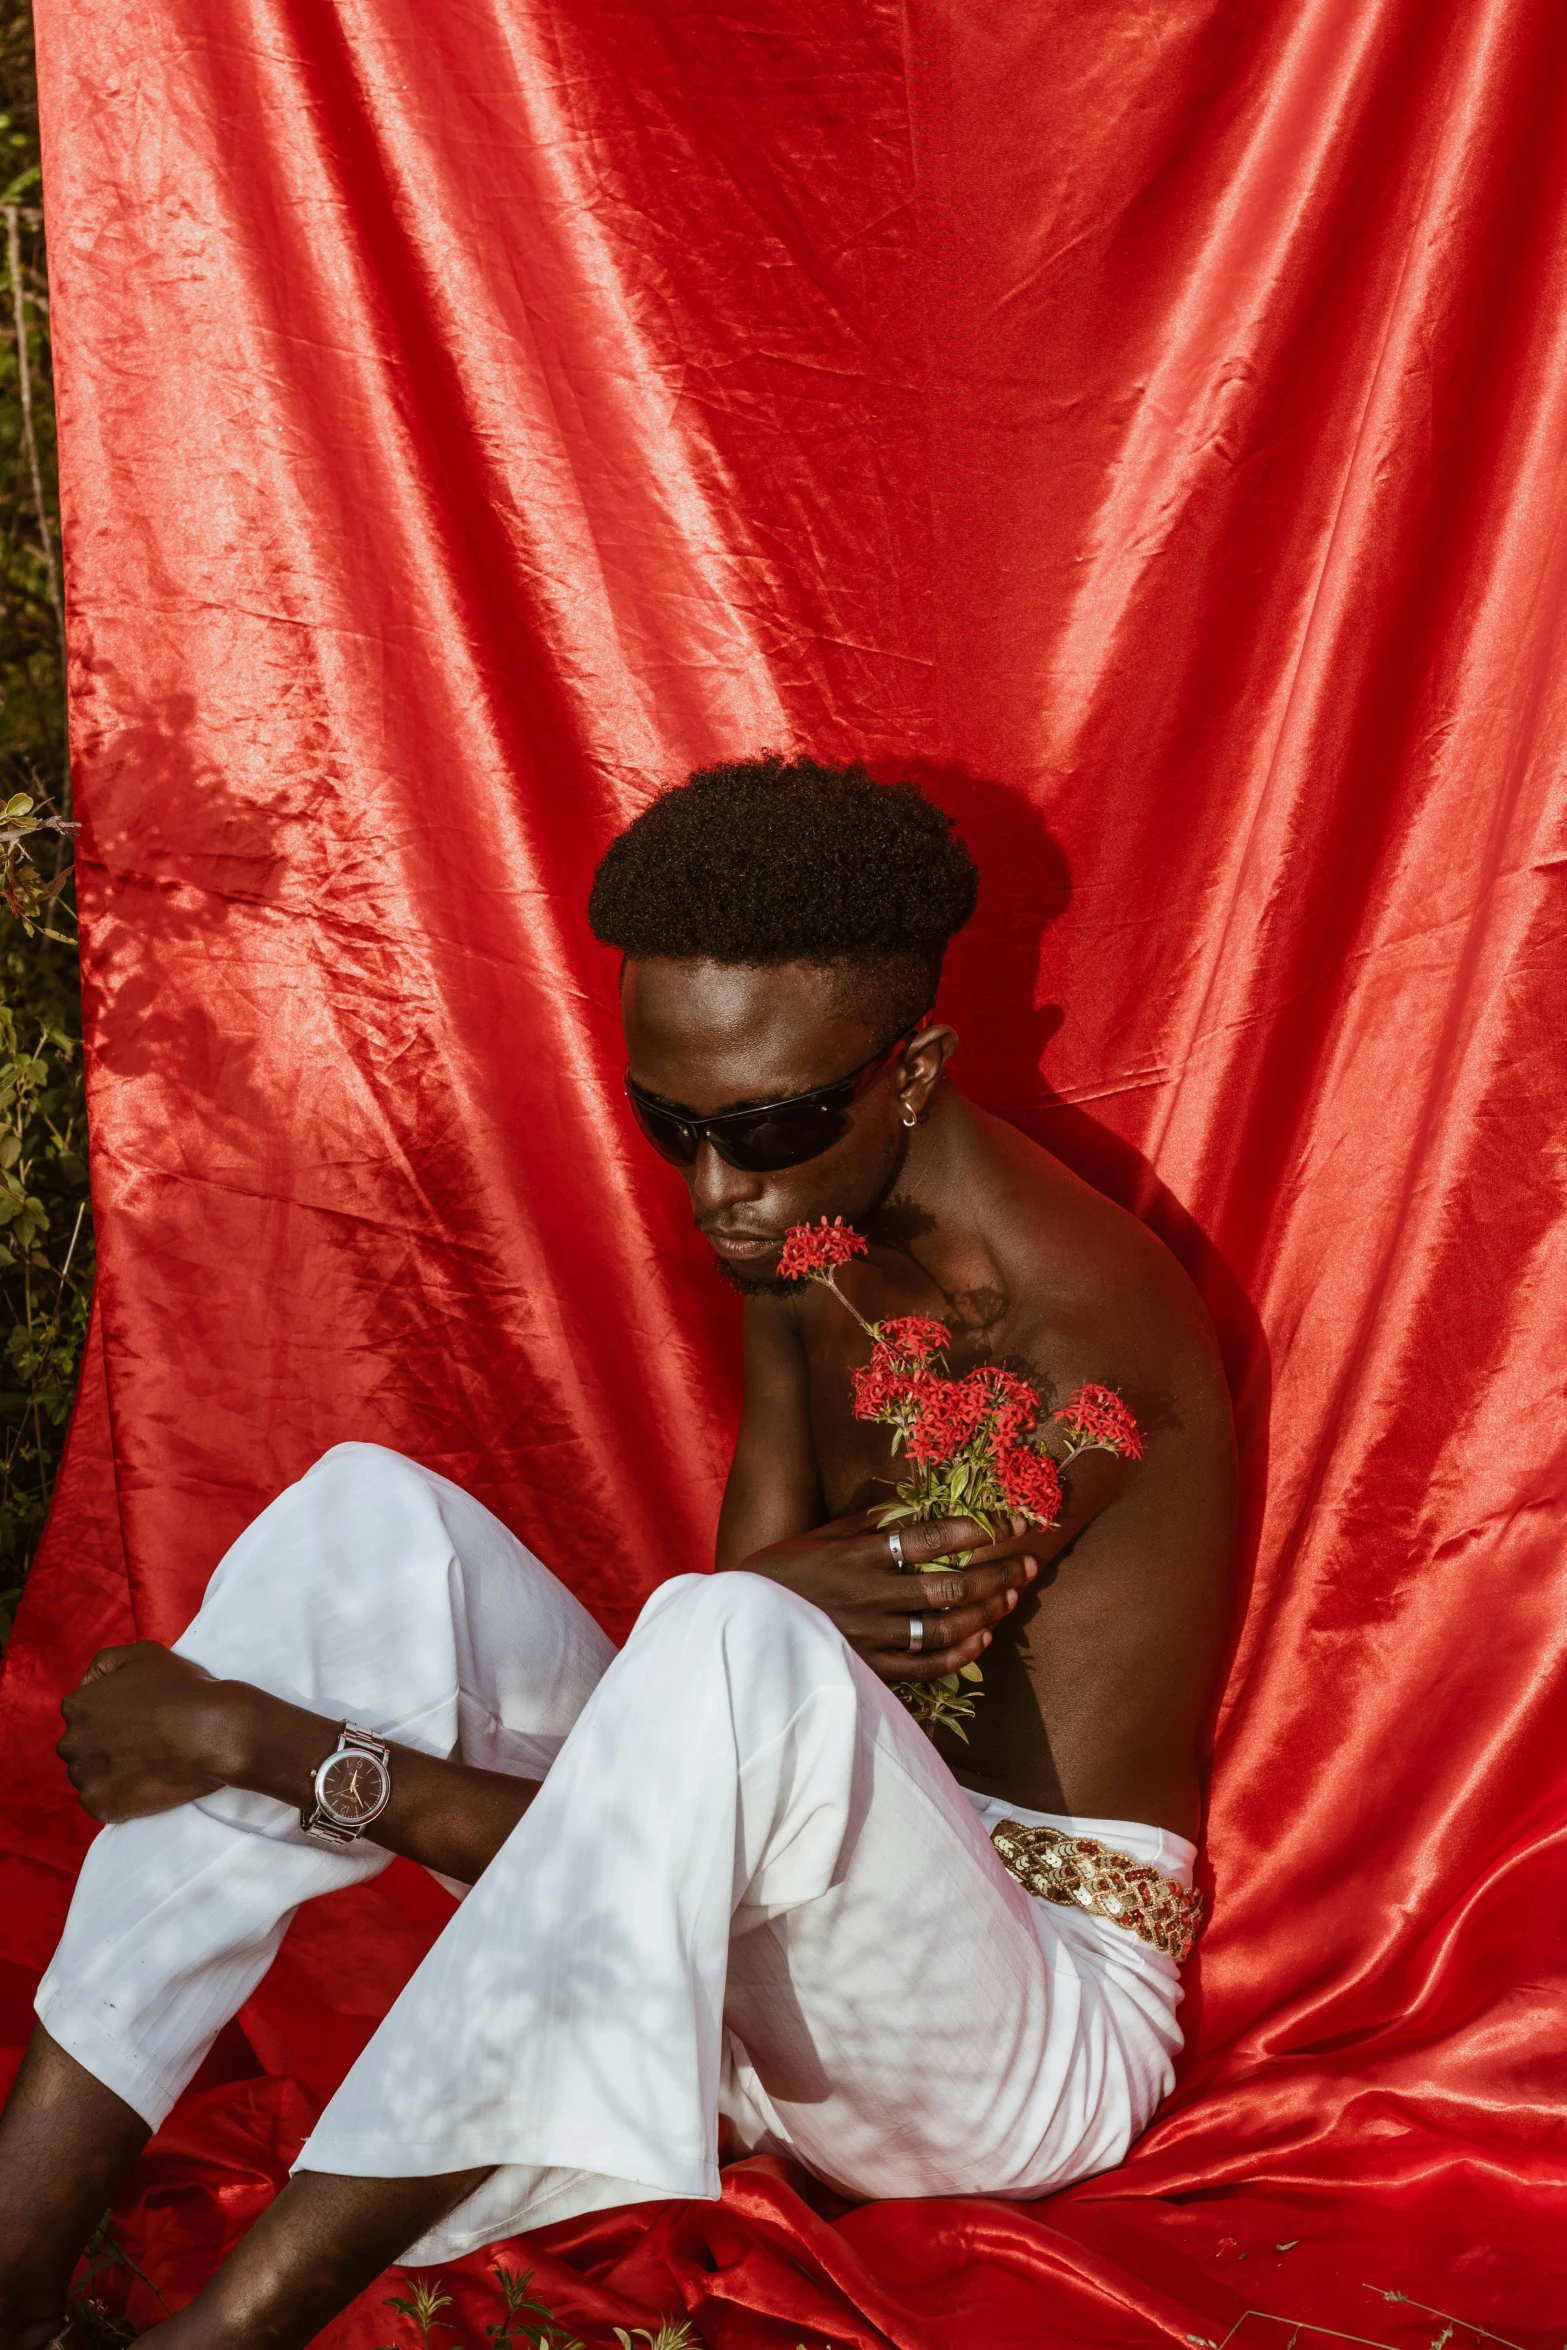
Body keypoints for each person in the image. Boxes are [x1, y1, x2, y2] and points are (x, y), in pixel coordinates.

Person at [0, 756, 1235, 2350]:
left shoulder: (1063, 1355)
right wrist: (745, 1618)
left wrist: (266, 1743)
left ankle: (227, 2337)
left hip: (1013, 2050)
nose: (719, 1190)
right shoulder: (808, 1242)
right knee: (364, 1526)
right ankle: (19, 2249)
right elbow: (662, 1815)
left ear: (914, 1070)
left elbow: (709, 1719)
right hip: (742, 1972)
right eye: (674, 1125)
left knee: (729, 1639)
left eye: (770, 1125)